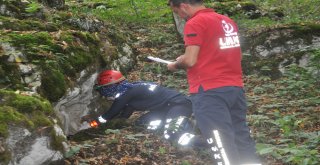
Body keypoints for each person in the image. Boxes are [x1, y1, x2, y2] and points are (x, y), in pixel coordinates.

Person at [167, 0, 261, 165]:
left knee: (220, 142)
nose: (180, 16)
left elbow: (190, 61)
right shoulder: (227, 21)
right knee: (241, 137)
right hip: (234, 87)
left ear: (184, 5)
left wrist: (176, 64)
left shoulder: (195, 22)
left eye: (178, 12)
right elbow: (233, 54)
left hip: (209, 91)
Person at [83, 69, 200, 147]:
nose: (104, 93)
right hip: (165, 109)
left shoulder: (127, 94)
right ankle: (177, 122)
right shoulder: (131, 89)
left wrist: (93, 124)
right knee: (141, 123)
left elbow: (110, 114)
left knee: (171, 133)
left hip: (179, 104)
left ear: (111, 86)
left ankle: (203, 141)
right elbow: (124, 116)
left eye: (104, 89)